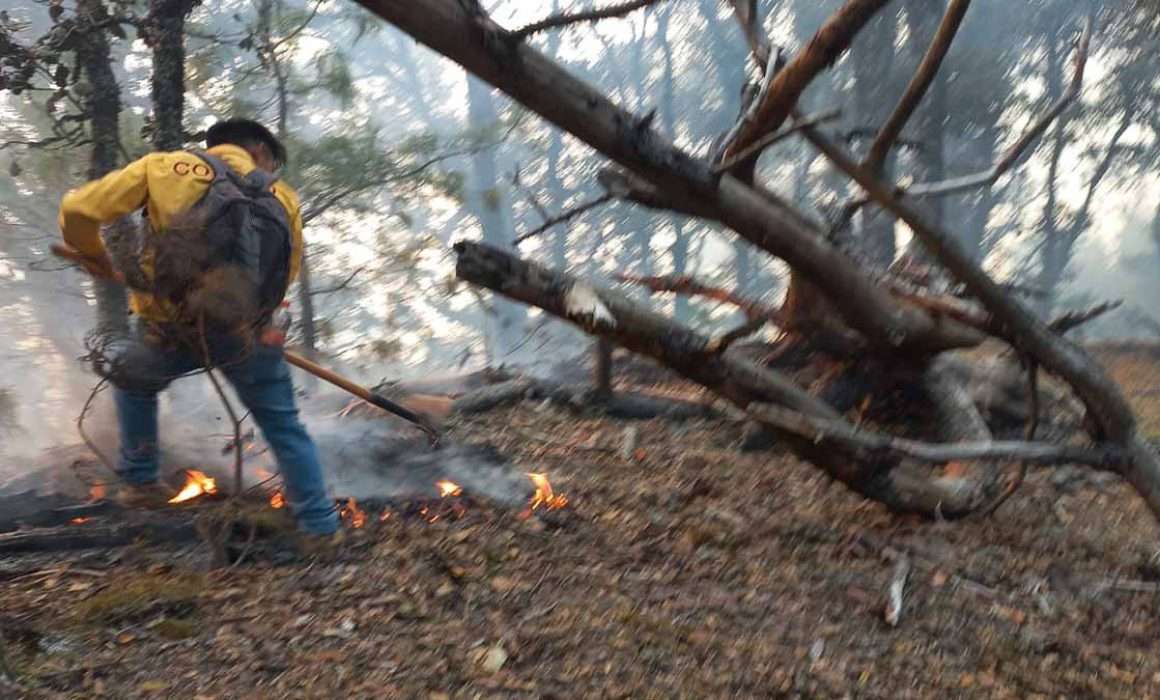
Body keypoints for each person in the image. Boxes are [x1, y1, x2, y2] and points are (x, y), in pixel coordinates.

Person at [56, 118, 340, 542]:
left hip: (169, 329)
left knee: (130, 378)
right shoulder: (282, 196)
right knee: (283, 427)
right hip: (247, 335)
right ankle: (321, 528)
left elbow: (78, 210)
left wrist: (94, 255)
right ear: (258, 151)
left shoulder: (166, 167)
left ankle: (141, 480)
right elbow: (286, 271)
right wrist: (258, 323)